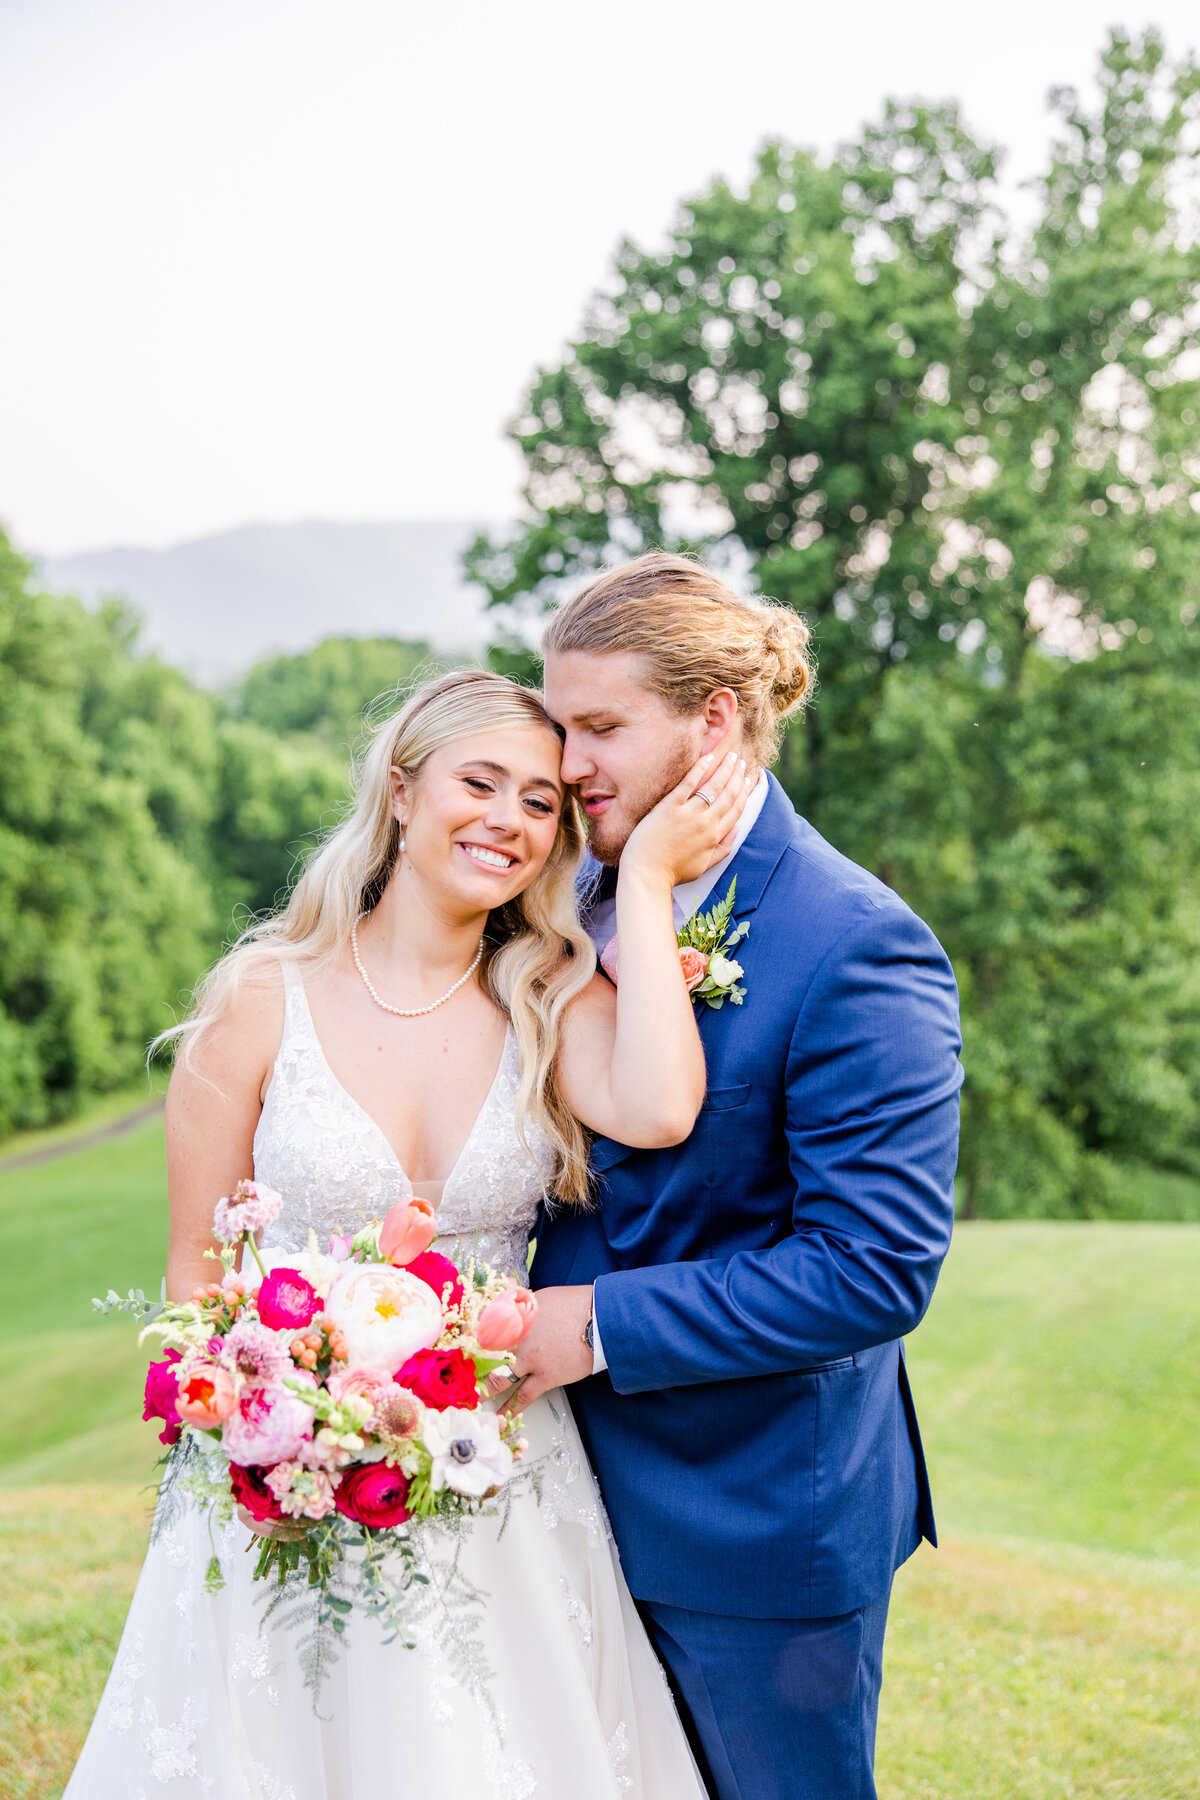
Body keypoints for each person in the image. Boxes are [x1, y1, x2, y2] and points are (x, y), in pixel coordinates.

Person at [65, 667, 752, 1800]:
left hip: (501, 1468)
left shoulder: (547, 995)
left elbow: (662, 1107)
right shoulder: (259, 996)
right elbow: (195, 1263)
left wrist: (641, 886)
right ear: (400, 787)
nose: (511, 821)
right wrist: (266, 1432)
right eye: (480, 783)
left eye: (543, 802)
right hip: (282, 1467)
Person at [511, 553, 964, 1800]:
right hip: (538, 1500)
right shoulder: (558, 891)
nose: (566, 764)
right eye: (558, 725)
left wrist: (590, 1325)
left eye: (600, 727)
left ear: (714, 722)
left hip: (750, 1530)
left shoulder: (856, 945)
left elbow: (868, 1271)